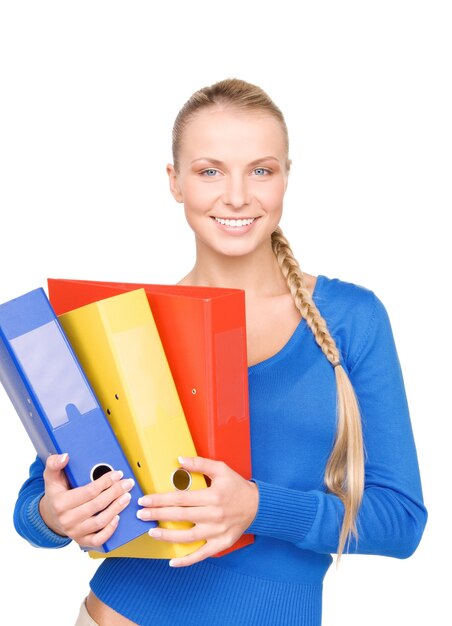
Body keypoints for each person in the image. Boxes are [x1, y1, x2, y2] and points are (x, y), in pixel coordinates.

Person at [13, 78, 427, 626]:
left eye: (261, 169)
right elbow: (33, 504)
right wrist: (57, 514)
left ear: (285, 177)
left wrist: (257, 507)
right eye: (210, 170)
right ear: (175, 182)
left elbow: (400, 521)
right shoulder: (133, 323)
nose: (237, 195)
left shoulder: (352, 319)